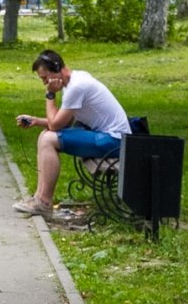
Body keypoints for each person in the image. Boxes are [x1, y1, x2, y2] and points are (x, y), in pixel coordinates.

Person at [12, 49, 131, 215]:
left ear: (57, 69)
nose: (45, 83)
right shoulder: (73, 82)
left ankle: (44, 202)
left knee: (48, 139)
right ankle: (39, 197)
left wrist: (50, 94)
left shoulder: (76, 86)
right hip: (110, 138)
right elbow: (64, 122)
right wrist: (36, 121)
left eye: (45, 78)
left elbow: (55, 126)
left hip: (114, 141)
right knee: (45, 135)